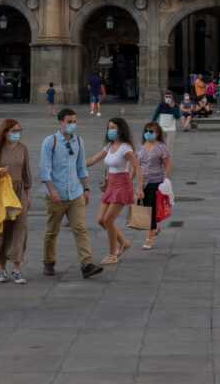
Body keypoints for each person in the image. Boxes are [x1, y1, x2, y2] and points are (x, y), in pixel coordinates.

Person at [38, 109, 103, 279]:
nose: (72, 124)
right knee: (52, 231)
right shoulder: (49, 142)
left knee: (80, 229)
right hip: (56, 195)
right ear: (60, 122)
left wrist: (86, 189)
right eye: (69, 121)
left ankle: (86, 264)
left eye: (74, 121)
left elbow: (81, 167)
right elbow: (44, 170)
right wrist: (52, 191)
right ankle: (49, 261)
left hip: (75, 193)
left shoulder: (78, 141)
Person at [0, 118, 31, 284]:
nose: (17, 134)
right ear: (5, 132)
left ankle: (17, 269)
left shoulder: (23, 149)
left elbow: (27, 174)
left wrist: (28, 193)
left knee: (20, 229)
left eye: (19, 131)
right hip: (1, 194)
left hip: (19, 193)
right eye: (14, 131)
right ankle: (1, 268)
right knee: (0, 230)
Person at [87, 117, 138, 265]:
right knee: (100, 220)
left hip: (122, 185)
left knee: (108, 220)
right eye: (109, 127)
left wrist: (138, 186)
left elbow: (137, 166)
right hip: (111, 185)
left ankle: (112, 254)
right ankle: (124, 242)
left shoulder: (125, 147)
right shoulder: (109, 146)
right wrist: (76, 165)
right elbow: (94, 159)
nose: (111, 130)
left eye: (114, 127)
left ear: (121, 129)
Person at [137, 121, 172, 251]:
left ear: (157, 133)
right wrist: (136, 184)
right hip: (143, 182)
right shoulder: (141, 147)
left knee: (151, 210)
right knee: (146, 208)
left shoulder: (161, 147)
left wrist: (165, 180)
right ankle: (155, 227)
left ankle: (149, 238)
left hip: (156, 181)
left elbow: (167, 164)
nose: (148, 134)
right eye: (146, 131)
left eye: (151, 131)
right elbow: (137, 166)